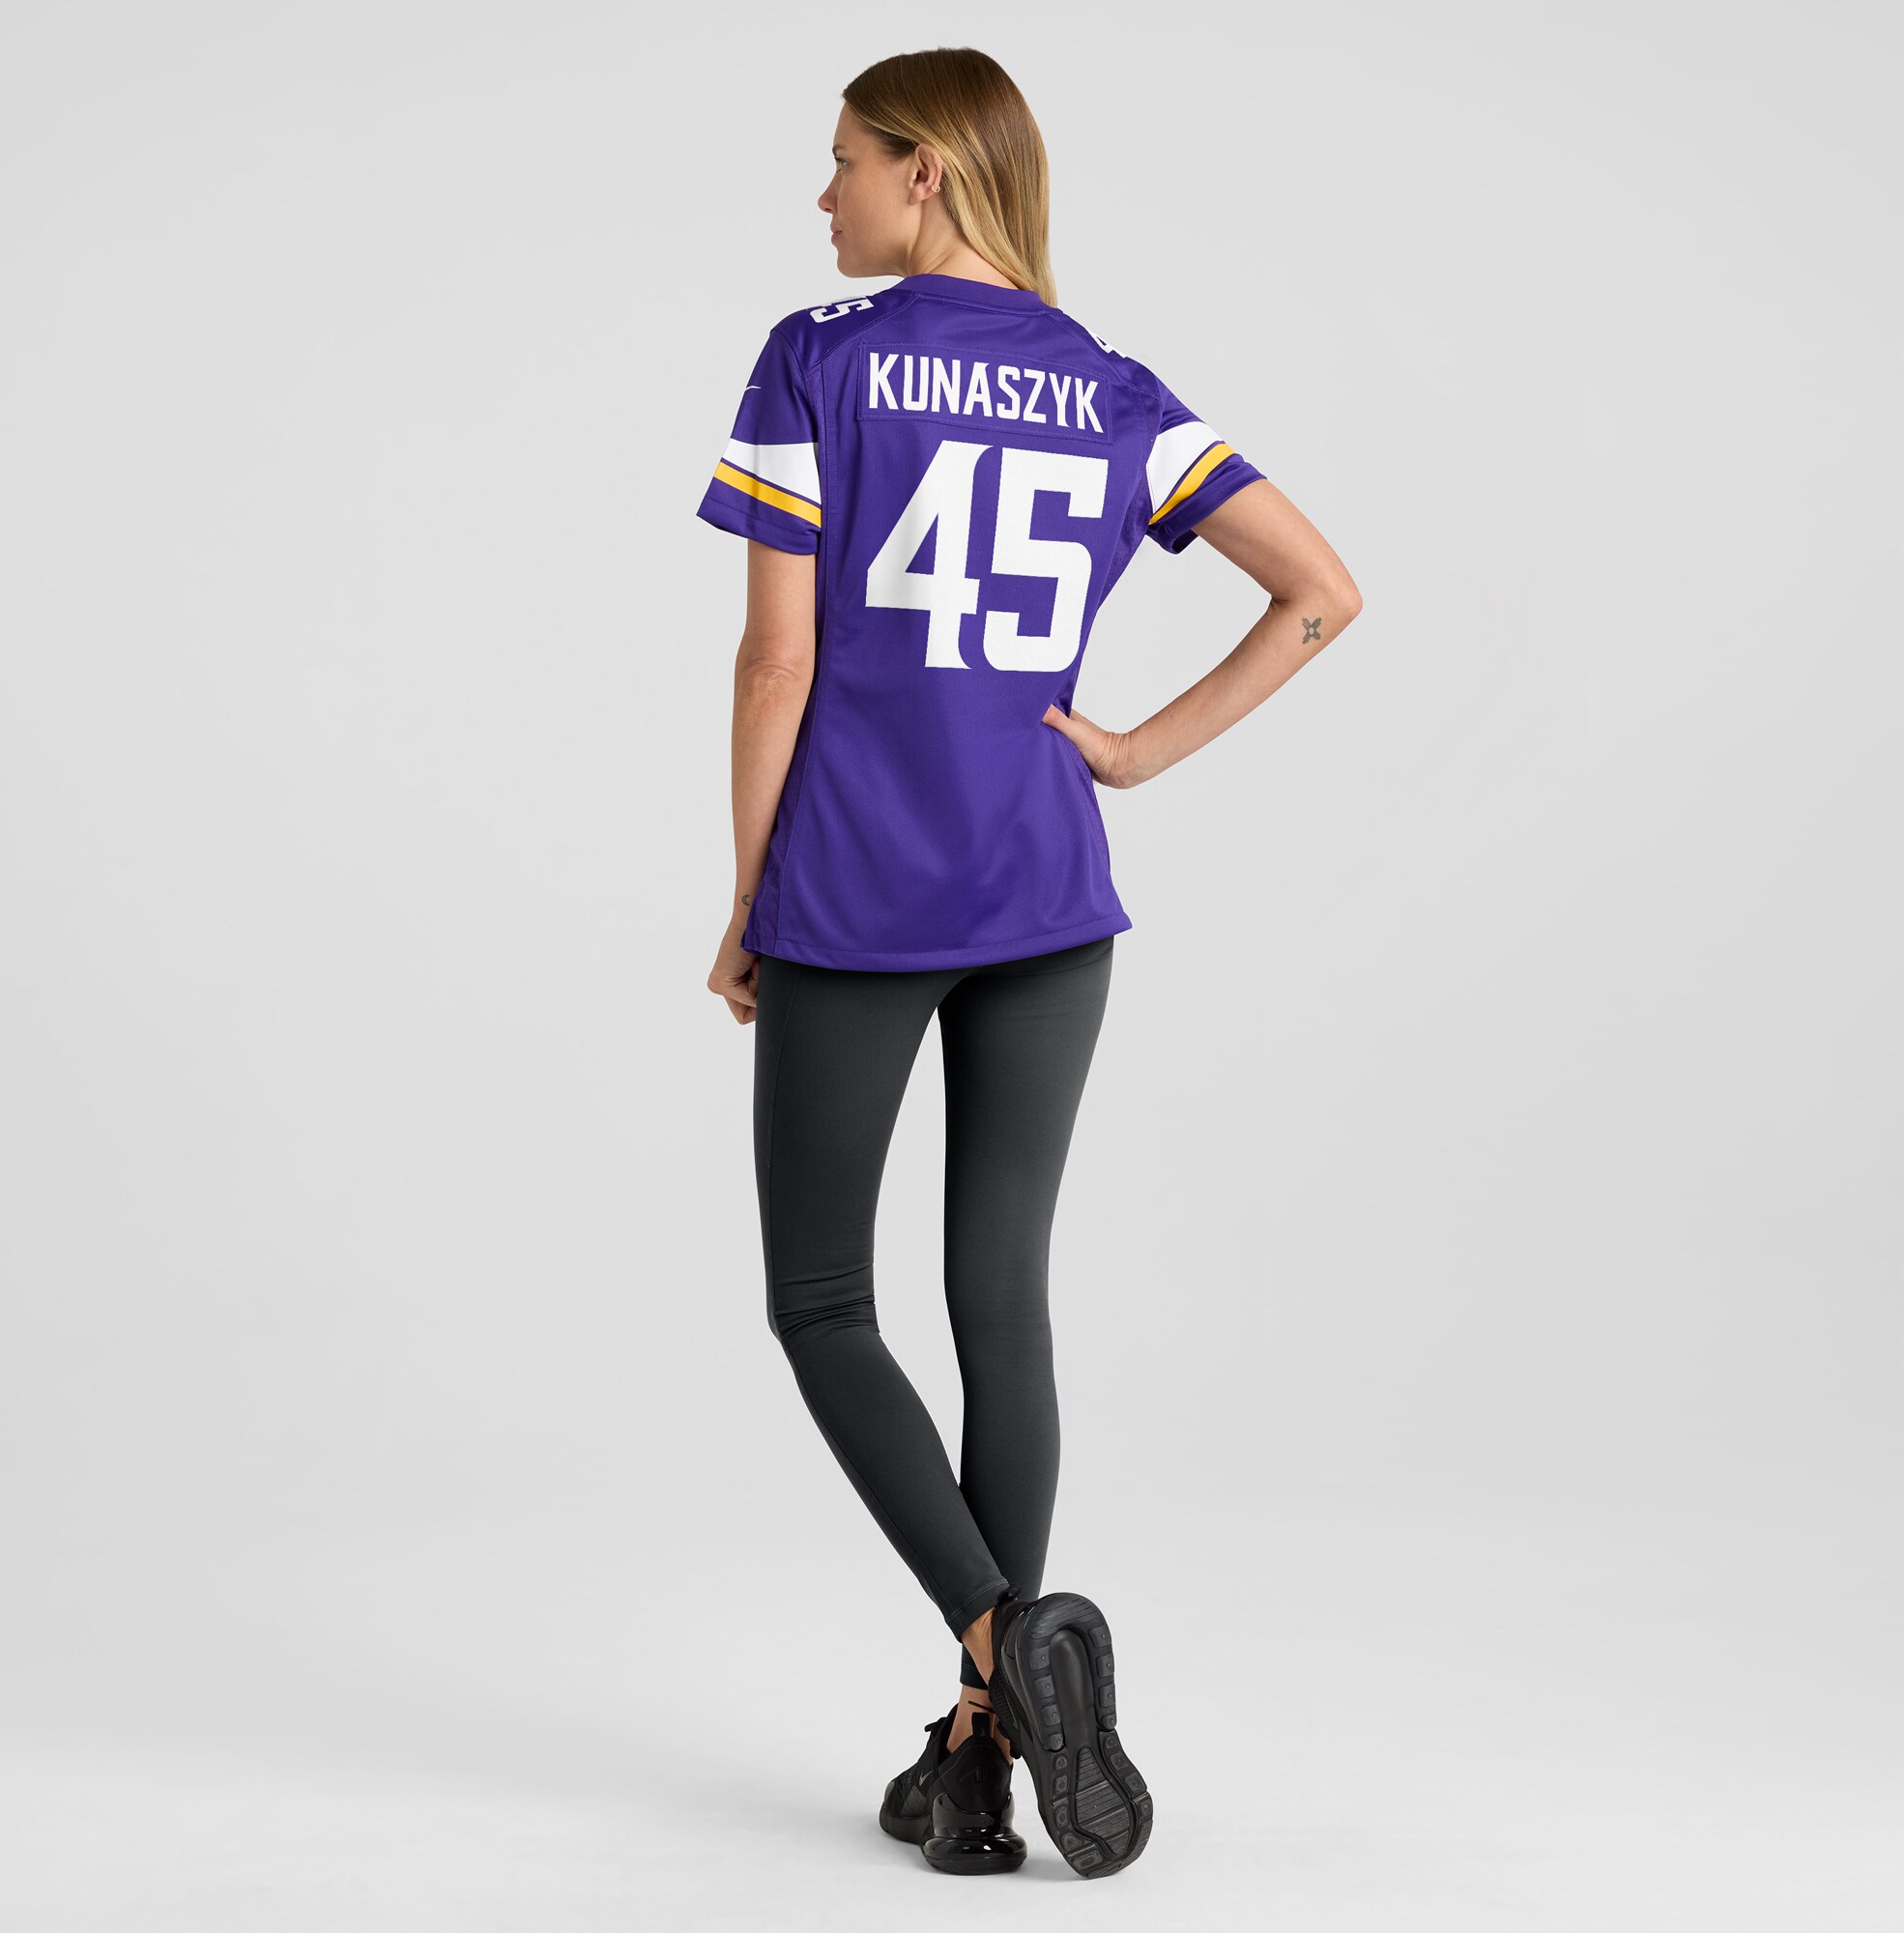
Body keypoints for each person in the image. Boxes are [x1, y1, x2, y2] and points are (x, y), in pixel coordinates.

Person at [697, 47, 1363, 1880]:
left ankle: (1002, 1656)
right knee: (1002, 1303)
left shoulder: (816, 360)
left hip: (856, 891)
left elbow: (776, 662)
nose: (823, 195)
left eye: (843, 161)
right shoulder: (1113, 389)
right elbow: (1321, 590)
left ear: (925, 170)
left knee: (823, 1306)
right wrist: (1130, 754)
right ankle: (981, 1760)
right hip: (1051, 898)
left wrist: (748, 893)